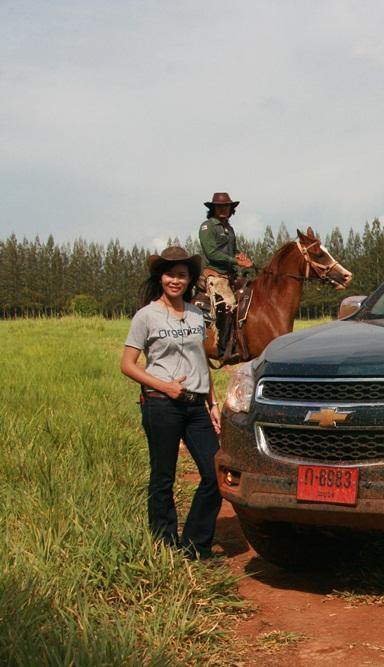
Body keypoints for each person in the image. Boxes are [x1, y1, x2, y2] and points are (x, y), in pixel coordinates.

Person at [120, 246, 222, 560]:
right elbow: (128, 364)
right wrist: (165, 387)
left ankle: (194, 545)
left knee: (215, 472)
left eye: (181, 275)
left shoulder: (196, 313)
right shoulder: (146, 316)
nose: (175, 280)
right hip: (161, 404)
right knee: (163, 475)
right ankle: (165, 546)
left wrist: (213, 403)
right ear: (160, 278)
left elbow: (201, 359)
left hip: (195, 406)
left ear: (189, 279)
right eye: (169, 274)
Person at [198, 192, 253, 356]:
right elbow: (211, 253)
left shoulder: (229, 229)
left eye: (226, 206)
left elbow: (233, 251)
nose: (223, 209)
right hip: (215, 275)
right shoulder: (207, 227)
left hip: (231, 275)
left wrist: (241, 257)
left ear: (231, 209)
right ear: (213, 208)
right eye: (219, 206)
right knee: (228, 303)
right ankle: (223, 347)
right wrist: (235, 261)